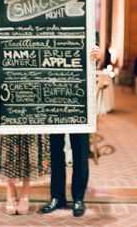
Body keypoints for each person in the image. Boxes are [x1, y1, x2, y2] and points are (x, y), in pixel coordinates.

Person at [0, 33, 50, 215]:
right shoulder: (5, 23)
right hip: (8, 95)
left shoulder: (41, 31)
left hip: (34, 96)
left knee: (31, 144)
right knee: (7, 144)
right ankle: (10, 191)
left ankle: (26, 192)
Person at [40, 45, 101, 217]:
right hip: (53, 99)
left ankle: (78, 198)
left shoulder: (86, 25)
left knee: (80, 152)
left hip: (79, 99)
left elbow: (91, 62)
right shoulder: (45, 27)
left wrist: (97, 57)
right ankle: (57, 197)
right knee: (55, 151)